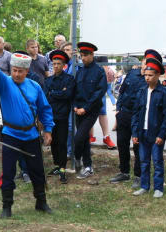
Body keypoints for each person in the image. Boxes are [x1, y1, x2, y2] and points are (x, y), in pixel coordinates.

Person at [0, 53, 54, 218]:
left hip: (31, 135)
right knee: (8, 171)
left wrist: (48, 130)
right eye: (14, 70)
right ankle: (6, 206)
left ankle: (41, 202)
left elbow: (44, 109)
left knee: (37, 170)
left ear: (27, 70)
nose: (16, 74)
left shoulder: (35, 86)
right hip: (10, 135)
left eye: (20, 71)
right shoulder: (5, 83)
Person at [131, 57, 166, 198]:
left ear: (157, 75)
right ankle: (144, 186)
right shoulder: (142, 91)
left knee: (157, 161)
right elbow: (136, 113)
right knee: (143, 161)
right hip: (142, 133)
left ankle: (158, 188)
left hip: (156, 134)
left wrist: (162, 135)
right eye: (146, 75)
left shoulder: (164, 92)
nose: (147, 78)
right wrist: (135, 132)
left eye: (150, 75)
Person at [110, 56, 147, 187]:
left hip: (138, 116)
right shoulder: (132, 74)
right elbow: (122, 92)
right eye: (144, 63)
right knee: (122, 143)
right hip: (124, 114)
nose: (145, 67)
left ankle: (138, 175)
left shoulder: (148, 80)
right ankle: (124, 172)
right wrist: (118, 109)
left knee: (137, 147)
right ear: (141, 64)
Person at [73, 42, 107, 179]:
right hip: (78, 110)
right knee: (84, 138)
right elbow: (75, 90)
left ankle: (77, 159)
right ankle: (88, 166)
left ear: (92, 55)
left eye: (86, 55)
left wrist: (85, 108)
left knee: (79, 137)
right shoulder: (80, 71)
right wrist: (75, 106)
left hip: (91, 110)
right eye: (81, 56)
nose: (83, 58)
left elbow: (99, 92)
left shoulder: (99, 72)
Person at [44, 50, 74, 184]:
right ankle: (57, 165)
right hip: (50, 116)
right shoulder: (48, 80)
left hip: (62, 116)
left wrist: (53, 93)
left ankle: (63, 168)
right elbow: (45, 96)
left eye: (58, 64)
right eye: (54, 63)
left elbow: (68, 95)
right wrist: (59, 93)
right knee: (53, 142)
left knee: (62, 142)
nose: (55, 66)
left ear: (64, 65)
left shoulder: (69, 79)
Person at [89, 56, 117, 149]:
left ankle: (106, 137)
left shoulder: (102, 56)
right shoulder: (88, 54)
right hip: (89, 88)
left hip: (99, 88)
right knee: (89, 113)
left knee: (102, 112)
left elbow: (104, 71)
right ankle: (91, 136)